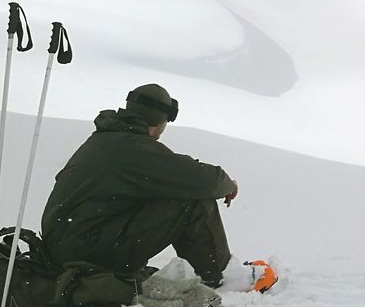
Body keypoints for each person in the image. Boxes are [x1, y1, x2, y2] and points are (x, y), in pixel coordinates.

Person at [41, 83, 238, 290]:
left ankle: (214, 273)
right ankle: (222, 277)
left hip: (66, 247)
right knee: (192, 201)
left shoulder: (107, 139)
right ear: (161, 119)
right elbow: (206, 181)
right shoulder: (133, 148)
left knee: (170, 192)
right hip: (84, 251)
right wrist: (229, 185)